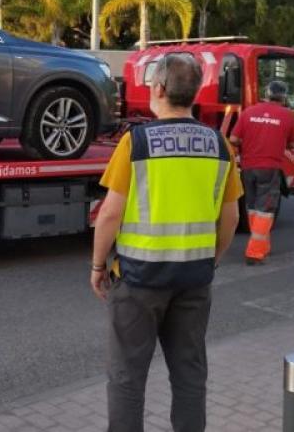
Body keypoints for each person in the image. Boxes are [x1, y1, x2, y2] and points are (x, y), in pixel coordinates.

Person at [90, 53, 242, 432]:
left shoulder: (136, 142)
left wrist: (96, 267)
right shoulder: (220, 145)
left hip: (138, 281)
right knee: (190, 376)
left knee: (127, 378)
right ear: (194, 93)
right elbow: (232, 217)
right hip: (194, 280)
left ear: (158, 88)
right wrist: (212, 260)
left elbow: (110, 214)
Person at [229, 80, 294, 265]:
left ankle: (263, 244)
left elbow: (234, 138)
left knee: (252, 207)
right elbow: (293, 144)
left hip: (248, 168)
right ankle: (255, 252)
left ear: (266, 94)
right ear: (283, 96)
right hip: (270, 169)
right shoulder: (287, 115)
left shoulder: (249, 112)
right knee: (266, 210)